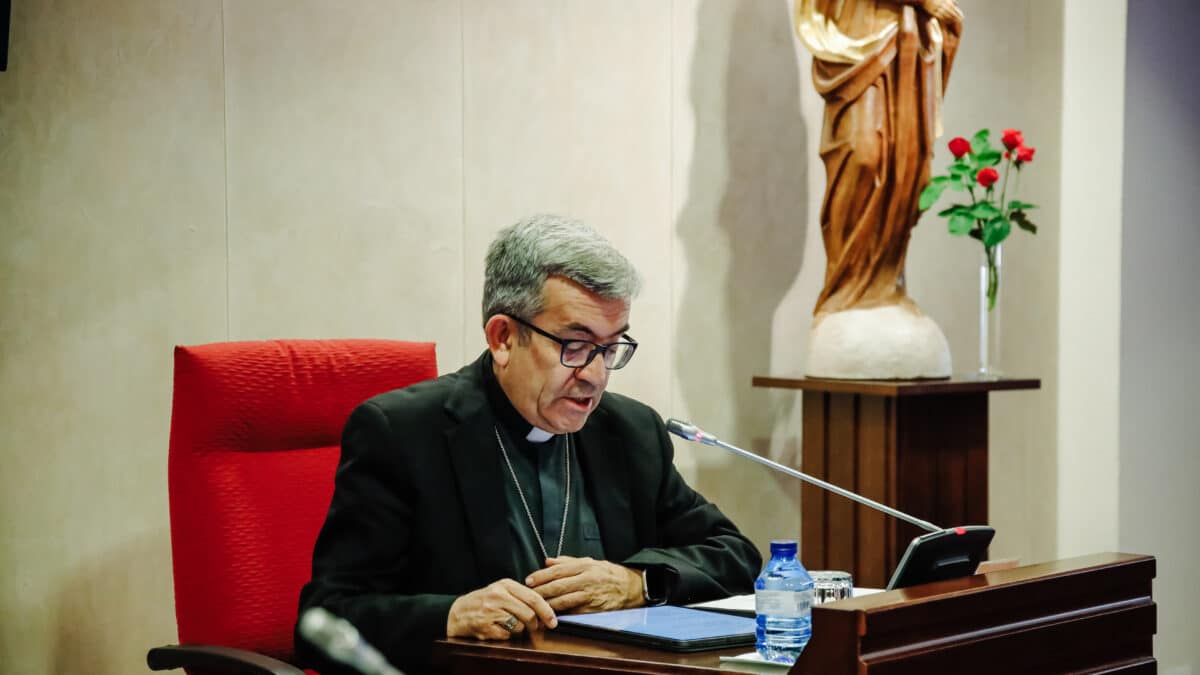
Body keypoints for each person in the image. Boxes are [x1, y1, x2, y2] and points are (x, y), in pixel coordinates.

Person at [295, 214, 761, 674]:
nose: (595, 376)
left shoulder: (629, 431)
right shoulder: (404, 433)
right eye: (574, 346)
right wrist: (451, 614)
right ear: (503, 337)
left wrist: (637, 581)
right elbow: (326, 618)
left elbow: (735, 555)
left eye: (610, 348)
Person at [795, 0, 964, 317]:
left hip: (912, 41)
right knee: (864, 155)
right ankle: (844, 287)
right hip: (861, 39)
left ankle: (888, 286)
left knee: (913, 172)